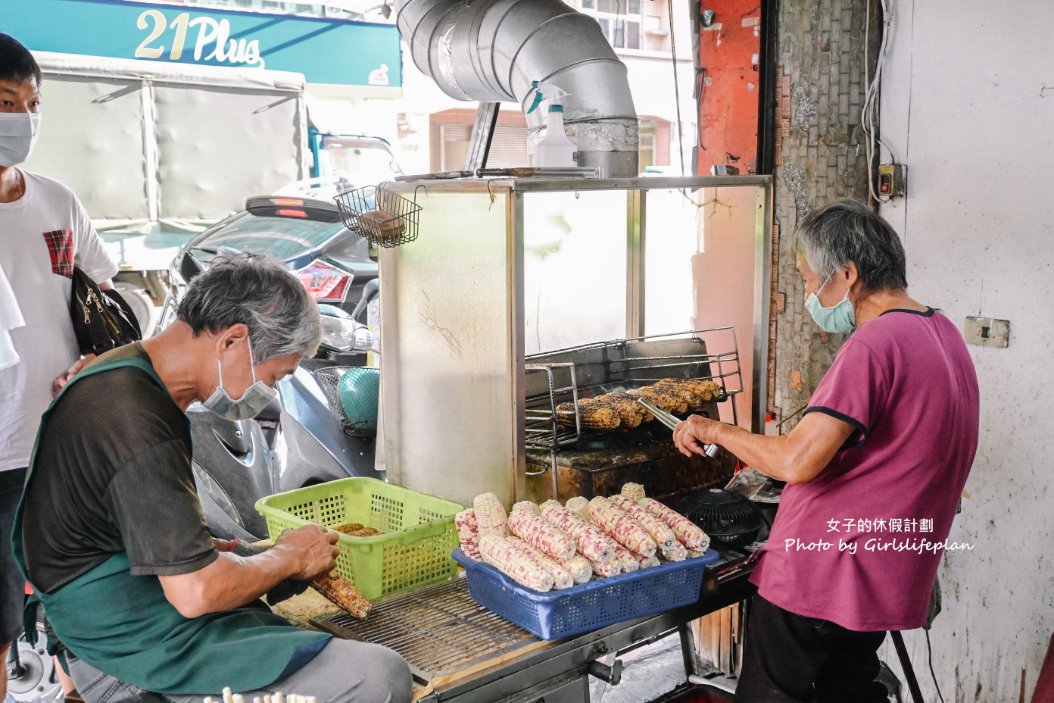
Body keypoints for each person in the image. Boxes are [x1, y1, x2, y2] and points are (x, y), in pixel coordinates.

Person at [14, 253, 412, 703]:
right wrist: (290, 559)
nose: (270, 394)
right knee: (377, 674)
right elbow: (195, 592)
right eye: (274, 376)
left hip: (117, 605)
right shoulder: (136, 419)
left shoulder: (125, 371)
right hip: (122, 642)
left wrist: (234, 554)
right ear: (233, 341)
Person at [672, 200, 979, 702]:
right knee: (848, 690)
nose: (810, 294)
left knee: (771, 695)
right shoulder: (942, 332)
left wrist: (714, 430)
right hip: (885, 566)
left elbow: (797, 460)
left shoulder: (875, 344)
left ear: (848, 274)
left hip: (824, 570)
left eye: (811, 280)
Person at [0, 33, 120, 702]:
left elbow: (108, 293)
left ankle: (81, 691)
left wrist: (100, 358)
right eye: (4, 101)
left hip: (64, 437)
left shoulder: (56, 200)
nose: (21, 118)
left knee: (83, 587)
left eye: (31, 103)